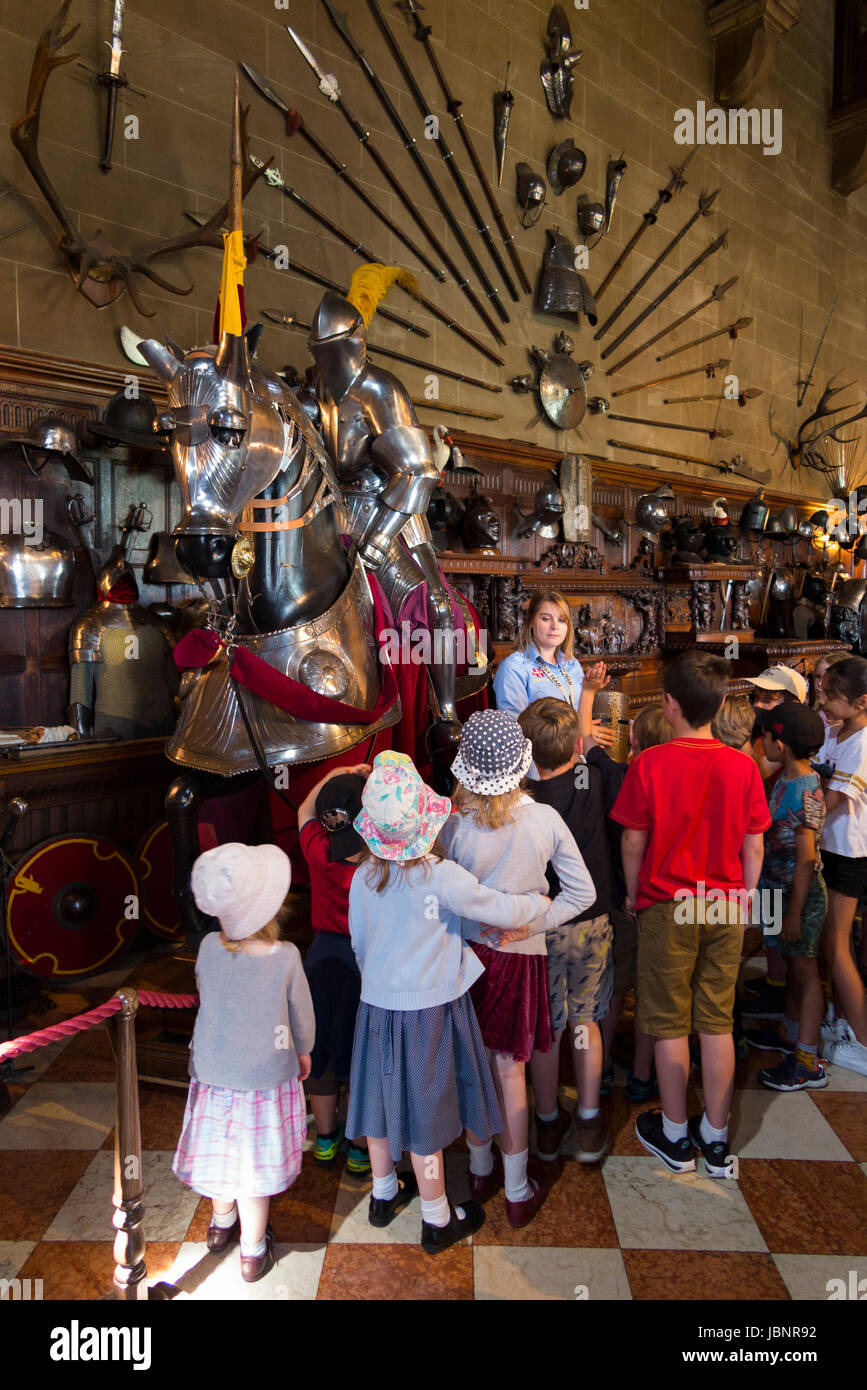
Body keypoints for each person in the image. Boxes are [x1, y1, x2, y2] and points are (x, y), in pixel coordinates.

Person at [346, 750, 552, 1253]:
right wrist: (539, 905)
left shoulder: (362, 879)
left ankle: (382, 1192)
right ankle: (438, 1218)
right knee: (427, 1117)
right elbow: (496, 908)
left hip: (375, 1009)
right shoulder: (439, 876)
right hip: (429, 1012)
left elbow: (358, 942)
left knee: (377, 1100)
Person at [610, 651, 770, 1177]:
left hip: (668, 904)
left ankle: (676, 1135)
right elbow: (754, 846)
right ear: (722, 704)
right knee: (716, 1021)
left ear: (667, 704)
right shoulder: (743, 764)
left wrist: (634, 895)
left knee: (669, 1021)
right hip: (724, 904)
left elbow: (633, 841)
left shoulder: (650, 763)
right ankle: (717, 1140)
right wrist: (744, 901)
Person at [438, 711, 595, 1220]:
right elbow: (584, 893)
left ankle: (480, 1167)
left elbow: (442, 894)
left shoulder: (453, 822)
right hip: (519, 957)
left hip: (464, 958)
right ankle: (516, 1188)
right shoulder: (544, 819)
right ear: (521, 762)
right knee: (510, 1073)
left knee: (474, 1066)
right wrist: (534, 924)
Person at [173, 842, 314, 1283]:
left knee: (223, 1155)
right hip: (264, 1076)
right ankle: (253, 1253)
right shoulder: (286, 956)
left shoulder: (208, 949)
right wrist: (304, 1050)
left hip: (214, 1073)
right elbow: (301, 1015)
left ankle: (219, 1226)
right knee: (254, 1167)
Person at [516, 697, 616, 1161]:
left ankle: (549, 1121)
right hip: (591, 921)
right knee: (586, 1020)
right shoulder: (591, 777)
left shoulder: (522, 799)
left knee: (548, 1029)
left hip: (541, 924)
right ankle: (590, 1119)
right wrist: (591, 750)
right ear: (574, 744)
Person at [745, 705, 828, 1090]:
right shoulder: (787, 777)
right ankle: (792, 1036)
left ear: (781, 743)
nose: (762, 742)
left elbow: (808, 859)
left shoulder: (804, 789)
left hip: (799, 896)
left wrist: (794, 913)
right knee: (794, 970)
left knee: (806, 973)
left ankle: (808, 1060)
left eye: (766, 736)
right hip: (777, 890)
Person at [595, 702, 674, 1098]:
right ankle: (643, 1076)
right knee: (651, 993)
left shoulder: (617, 776)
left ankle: (604, 1068)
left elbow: (587, 750)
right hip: (664, 901)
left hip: (625, 901)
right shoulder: (678, 784)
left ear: (635, 744)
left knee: (612, 988)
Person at [297, 765, 372, 1175]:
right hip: (366, 962)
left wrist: (334, 775)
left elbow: (302, 813)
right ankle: (360, 1146)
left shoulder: (317, 850)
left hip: (322, 961)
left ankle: (325, 1138)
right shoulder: (378, 863)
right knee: (361, 1051)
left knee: (322, 1047)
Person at [814, 656, 867, 1076]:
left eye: (832, 696)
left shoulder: (861, 743)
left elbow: (829, 800)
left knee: (836, 947)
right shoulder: (840, 729)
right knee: (834, 944)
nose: (824, 701)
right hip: (831, 849)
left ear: (861, 702)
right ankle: (845, 1021)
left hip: (848, 855)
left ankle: (864, 1042)